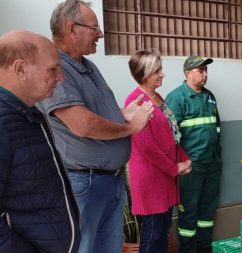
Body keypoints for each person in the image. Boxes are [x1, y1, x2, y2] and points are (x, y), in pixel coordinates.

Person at [38, 1, 154, 252]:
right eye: (94, 28)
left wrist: (122, 114)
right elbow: (81, 124)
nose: (100, 34)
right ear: (71, 28)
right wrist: (131, 127)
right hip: (84, 182)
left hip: (108, 181)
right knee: (84, 247)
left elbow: (96, 112)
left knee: (108, 247)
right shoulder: (56, 68)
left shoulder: (88, 66)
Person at [0, 30, 80, 252]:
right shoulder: (4, 122)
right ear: (21, 69)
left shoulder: (28, 114)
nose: (60, 77)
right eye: (53, 69)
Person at [125, 49, 192, 253]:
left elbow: (172, 134)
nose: (162, 74)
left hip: (164, 176)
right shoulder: (135, 101)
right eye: (157, 71)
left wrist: (184, 159)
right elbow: (147, 147)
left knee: (162, 231)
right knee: (153, 234)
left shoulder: (157, 97)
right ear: (144, 74)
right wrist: (174, 168)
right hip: (151, 178)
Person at [166, 56, 221, 253]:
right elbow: (170, 137)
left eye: (206, 70)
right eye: (200, 70)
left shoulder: (210, 96)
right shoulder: (177, 97)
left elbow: (216, 129)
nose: (205, 74)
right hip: (191, 167)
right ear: (187, 73)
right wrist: (181, 163)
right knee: (189, 212)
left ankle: (204, 249)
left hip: (212, 164)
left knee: (207, 212)